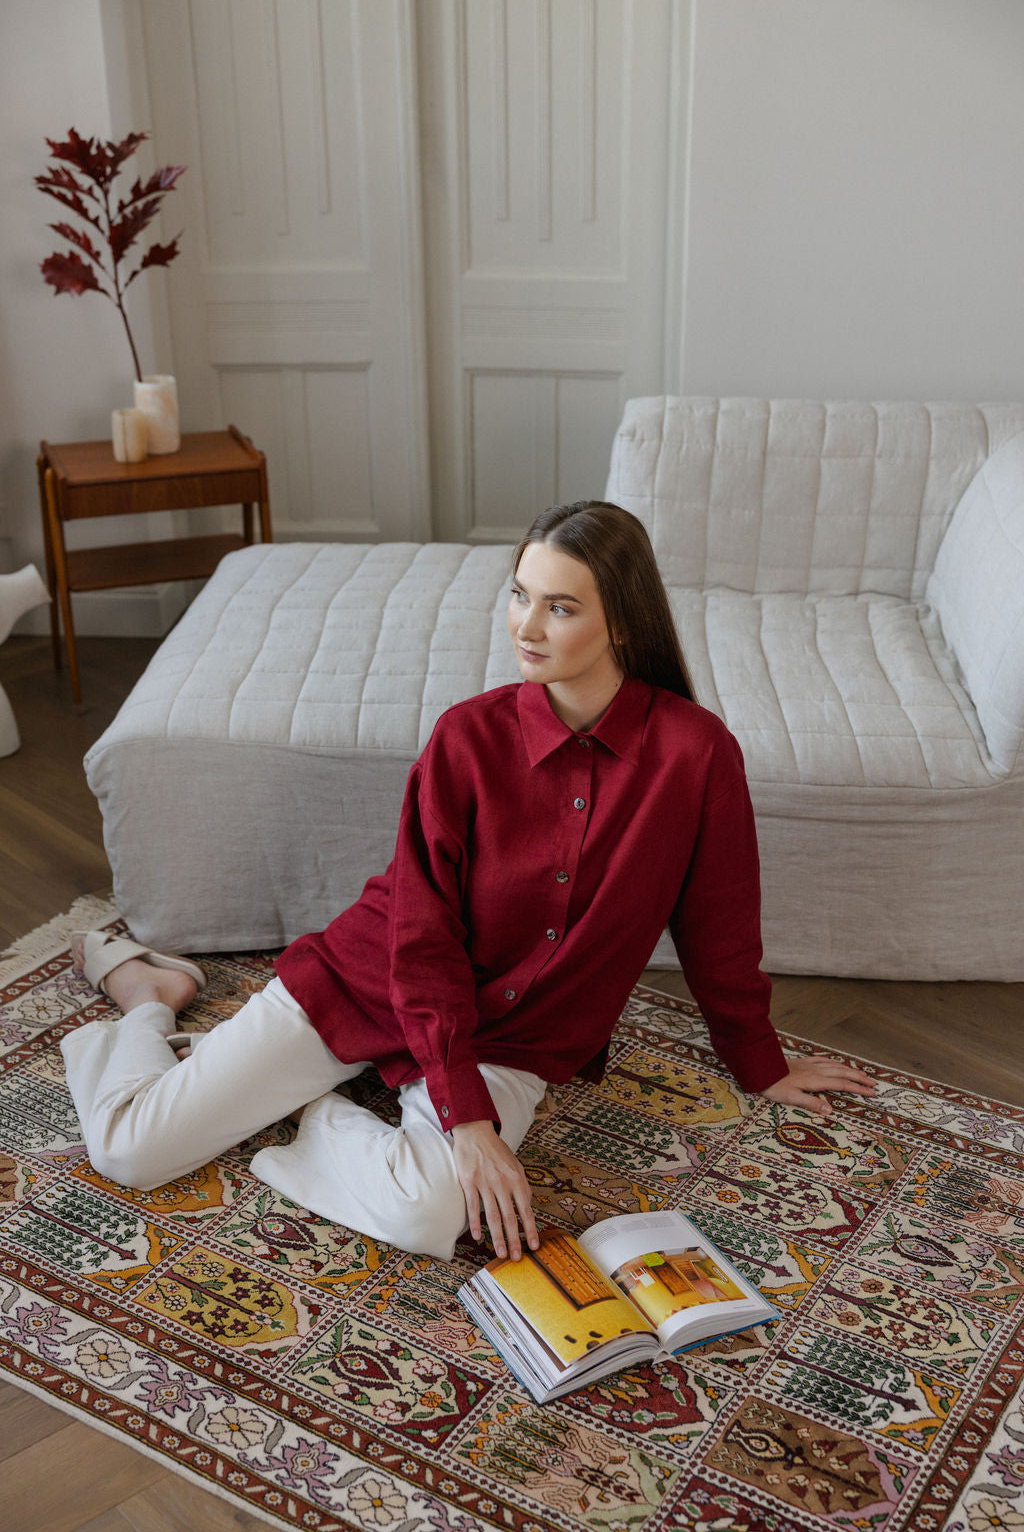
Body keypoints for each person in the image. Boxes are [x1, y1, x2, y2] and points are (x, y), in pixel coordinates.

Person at [63, 501, 874, 1263]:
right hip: (372, 980)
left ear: (621, 619)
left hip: (517, 1037)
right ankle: (149, 1000)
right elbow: (418, 934)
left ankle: (311, 1110)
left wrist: (757, 1059)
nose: (526, 624)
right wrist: (466, 1119)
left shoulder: (696, 755)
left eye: (560, 606)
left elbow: (720, 921)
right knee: (130, 1149)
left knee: (432, 1213)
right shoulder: (466, 739)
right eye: (520, 595)